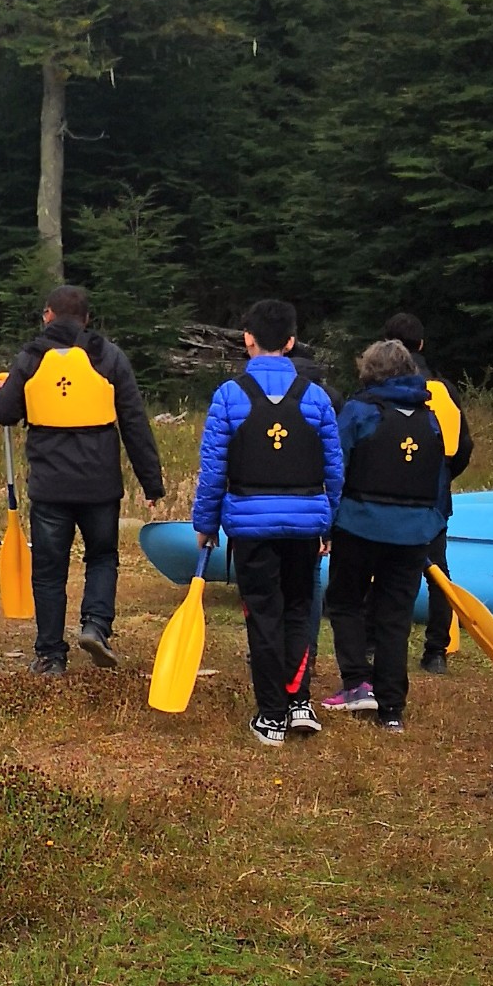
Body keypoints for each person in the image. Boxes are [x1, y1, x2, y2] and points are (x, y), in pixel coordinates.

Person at [0, 284, 166, 677]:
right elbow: (134, 421)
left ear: (48, 315)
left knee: (50, 569)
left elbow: (4, 413)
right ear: (86, 319)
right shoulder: (108, 356)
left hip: (50, 487)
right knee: (101, 557)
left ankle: (51, 654)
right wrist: (151, 483)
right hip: (99, 485)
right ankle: (96, 626)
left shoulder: (31, 358)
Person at [190, 299, 344, 746]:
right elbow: (334, 469)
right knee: (299, 611)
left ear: (247, 339)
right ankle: (298, 702)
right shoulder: (316, 398)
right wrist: (327, 523)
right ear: (292, 343)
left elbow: (214, 468)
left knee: (263, 615)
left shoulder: (228, 396)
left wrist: (205, 523)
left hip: (251, 528)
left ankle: (272, 716)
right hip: (304, 526)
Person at [318, 339, 449, 732]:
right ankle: (392, 709)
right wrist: (431, 528)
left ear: (368, 371)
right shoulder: (430, 418)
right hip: (413, 534)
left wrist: (326, 524)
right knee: (395, 617)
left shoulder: (359, 412)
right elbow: (440, 482)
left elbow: (334, 470)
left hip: (358, 526)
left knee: (344, 601)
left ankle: (357, 683)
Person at [382, 312, 474, 673]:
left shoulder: (377, 391)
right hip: (433, 497)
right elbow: (463, 446)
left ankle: (377, 641)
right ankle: (436, 650)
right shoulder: (443, 389)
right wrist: (445, 476)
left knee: (380, 568)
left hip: (385, 494)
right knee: (437, 570)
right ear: (421, 345)